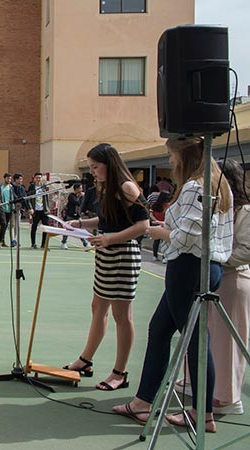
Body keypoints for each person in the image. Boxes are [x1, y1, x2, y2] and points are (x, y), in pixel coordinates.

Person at [113, 137, 233, 432]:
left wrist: (159, 232)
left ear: (186, 157)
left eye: (172, 155)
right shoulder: (218, 185)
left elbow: (186, 237)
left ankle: (202, 414)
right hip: (203, 267)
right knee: (160, 329)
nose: (171, 162)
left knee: (194, 340)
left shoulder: (195, 187)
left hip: (188, 268)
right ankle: (145, 401)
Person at [61, 144, 149, 393]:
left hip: (122, 255)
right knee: (98, 307)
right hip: (106, 255)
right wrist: (79, 223)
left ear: (109, 164)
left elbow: (143, 225)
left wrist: (110, 239)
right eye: (90, 168)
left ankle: (120, 372)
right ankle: (86, 359)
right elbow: (108, 218)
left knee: (122, 316)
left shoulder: (127, 187)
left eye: (95, 167)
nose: (93, 172)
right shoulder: (106, 188)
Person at [206, 158, 250, 415]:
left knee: (228, 342)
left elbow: (246, 250)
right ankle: (205, 385)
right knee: (207, 336)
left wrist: (217, 259)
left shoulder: (244, 212)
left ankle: (227, 396)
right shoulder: (220, 208)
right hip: (214, 278)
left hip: (233, 279)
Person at [60, 183, 90, 250]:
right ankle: (63, 243)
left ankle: (85, 243)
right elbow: (78, 203)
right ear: (76, 189)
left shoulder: (81, 196)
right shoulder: (71, 196)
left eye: (81, 188)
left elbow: (82, 204)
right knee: (67, 230)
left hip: (77, 216)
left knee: (80, 230)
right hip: (70, 215)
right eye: (80, 188)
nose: (81, 190)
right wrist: (81, 196)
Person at [27, 172, 50, 249]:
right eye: (37, 177)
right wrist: (30, 208)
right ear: (34, 178)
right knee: (34, 227)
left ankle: (43, 244)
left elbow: (46, 197)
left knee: (46, 227)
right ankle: (33, 243)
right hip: (36, 210)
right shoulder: (32, 187)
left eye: (39, 177)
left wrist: (47, 208)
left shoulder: (44, 186)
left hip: (44, 210)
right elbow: (28, 198)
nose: (38, 179)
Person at [0, 173, 13, 248]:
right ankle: (0, 241)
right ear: (4, 178)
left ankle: (3, 241)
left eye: (10, 179)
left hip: (9, 208)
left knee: (5, 226)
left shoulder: (11, 187)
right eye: (8, 178)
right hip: (2, 208)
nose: (9, 180)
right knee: (3, 224)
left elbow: (13, 196)